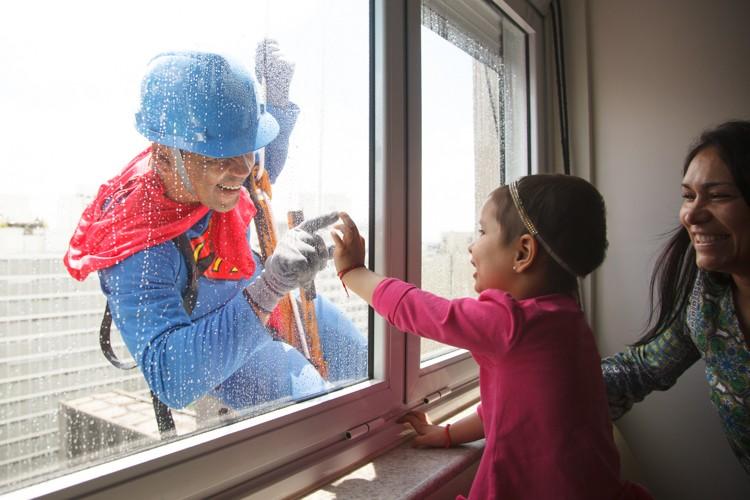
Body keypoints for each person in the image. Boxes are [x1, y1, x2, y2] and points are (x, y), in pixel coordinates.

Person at [63, 44, 367, 416]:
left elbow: (258, 167)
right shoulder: (133, 244)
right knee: (313, 405)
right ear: (162, 157)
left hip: (265, 297)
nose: (242, 169)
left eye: (247, 147)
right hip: (215, 346)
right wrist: (270, 286)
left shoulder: (214, 173)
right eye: (221, 155)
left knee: (362, 363)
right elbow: (171, 378)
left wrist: (277, 100)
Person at [331, 175, 652, 499]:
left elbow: (422, 312)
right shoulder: (568, 323)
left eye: (483, 231)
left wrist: (354, 272)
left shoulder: (514, 324)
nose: (472, 245)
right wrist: (447, 434)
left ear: (523, 252)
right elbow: (510, 411)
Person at [602, 120, 750, 475]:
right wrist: (544, 382)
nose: (692, 215)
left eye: (718, 196)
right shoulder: (710, 301)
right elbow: (640, 369)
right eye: (688, 196)